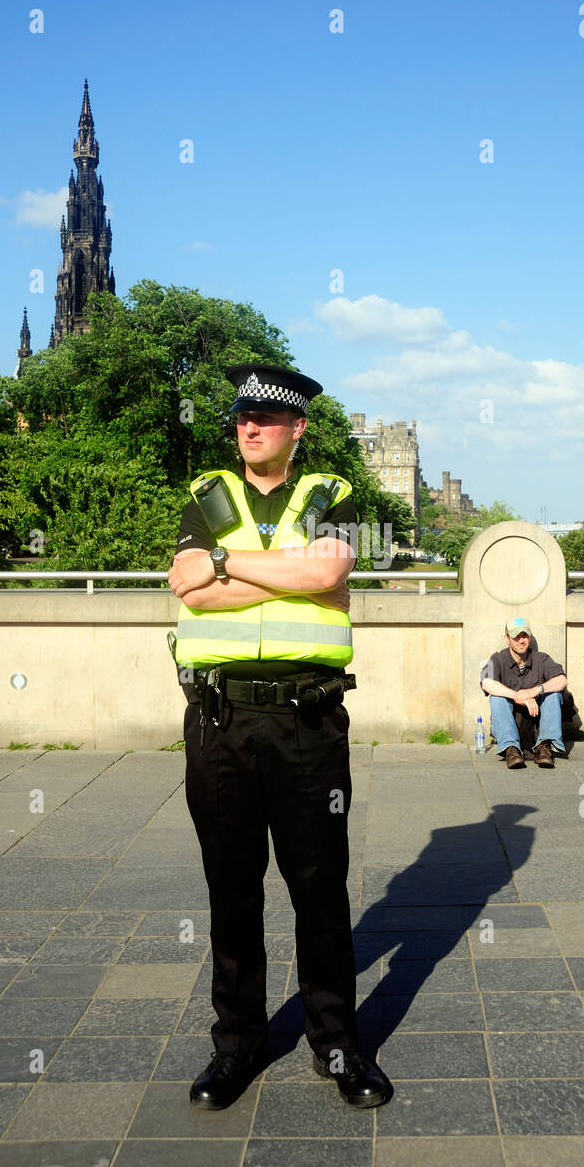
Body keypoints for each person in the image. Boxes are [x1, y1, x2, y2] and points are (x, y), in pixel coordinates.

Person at [167, 362, 391, 1112]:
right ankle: (235, 1046)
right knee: (231, 891)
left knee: (318, 887)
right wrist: (279, 570)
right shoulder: (206, 495)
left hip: (308, 720)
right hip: (220, 721)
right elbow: (182, 582)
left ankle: (337, 1043)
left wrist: (226, 565)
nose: (249, 428)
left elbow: (328, 573)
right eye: (240, 418)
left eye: (265, 418)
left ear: (297, 428)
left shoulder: (329, 493)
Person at [479, 616, 568, 769]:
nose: (521, 641)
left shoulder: (542, 659)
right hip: (511, 725)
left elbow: (562, 680)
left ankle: (544, 747)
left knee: (554, 693)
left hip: (537, 727)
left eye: (524, 635)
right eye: (516, 636)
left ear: (530, 637)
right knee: (497, 698)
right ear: (507, 639)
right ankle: (511, 750)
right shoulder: (497, 659)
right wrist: (518, 696)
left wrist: (534, 691)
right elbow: (487, 683)